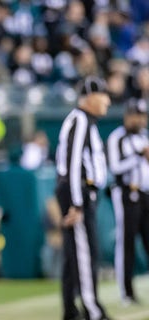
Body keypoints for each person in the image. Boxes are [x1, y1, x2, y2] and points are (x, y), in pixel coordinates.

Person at [55, 76, 111, 320]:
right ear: (90, 97)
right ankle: (92, 309)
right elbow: (73, 162)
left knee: (74, 255)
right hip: (77, 192)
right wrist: (76, 203)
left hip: (81, 192)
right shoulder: (79, 120)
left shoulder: (87, 121)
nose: (108, 101)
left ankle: (70, 310)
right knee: (86, 253)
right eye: (103, 95)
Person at [107, 98, 149, 306]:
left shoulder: (144, 136)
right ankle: (127, 292)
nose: (141, 119)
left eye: (143, 115)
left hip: (145, 194)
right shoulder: (117, 138)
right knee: (127, 242)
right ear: (127, 116)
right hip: (126, 194)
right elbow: (115, 167)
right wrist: (139, 155)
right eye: (137, 115)